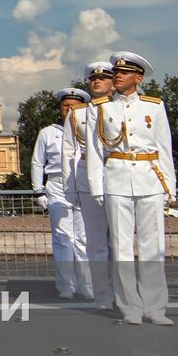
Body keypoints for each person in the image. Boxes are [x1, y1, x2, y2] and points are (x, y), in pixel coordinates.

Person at [85, 52, 176, 325]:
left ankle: (155, 307)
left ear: (139, 77)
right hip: (117, 178)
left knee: (153, 246)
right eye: (116, 73)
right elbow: (94, 151)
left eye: (124, 73)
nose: (118, 76)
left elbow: (164, 148)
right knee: (122, 247)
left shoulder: (154, 107)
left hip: (150, 178)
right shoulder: (101, 109)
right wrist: (96, 186)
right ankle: (130, 307)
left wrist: (169, 187)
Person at [64, 62, 116, 307]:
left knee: (120, 242)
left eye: (103, 79)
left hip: (119, 175)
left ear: (113, 83)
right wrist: (70, 187)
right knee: (95, 242)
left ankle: (121, 290)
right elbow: (68, 153)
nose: (97, 82)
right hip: (87, 177)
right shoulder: (77, 114)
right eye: (93, 79)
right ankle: (102, 294)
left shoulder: (122, 109)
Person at [33, 88, 91, 298]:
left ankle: (88, 286)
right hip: (57, 187)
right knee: (63, 238)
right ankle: (66, 286)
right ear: (60, 108)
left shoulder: (89, 130)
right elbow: (38, 162)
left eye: (75, 106)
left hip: (83, 185)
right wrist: (38, 190)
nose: (70, 109)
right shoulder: (48, 132)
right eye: (66, 105)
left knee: (84, 240)